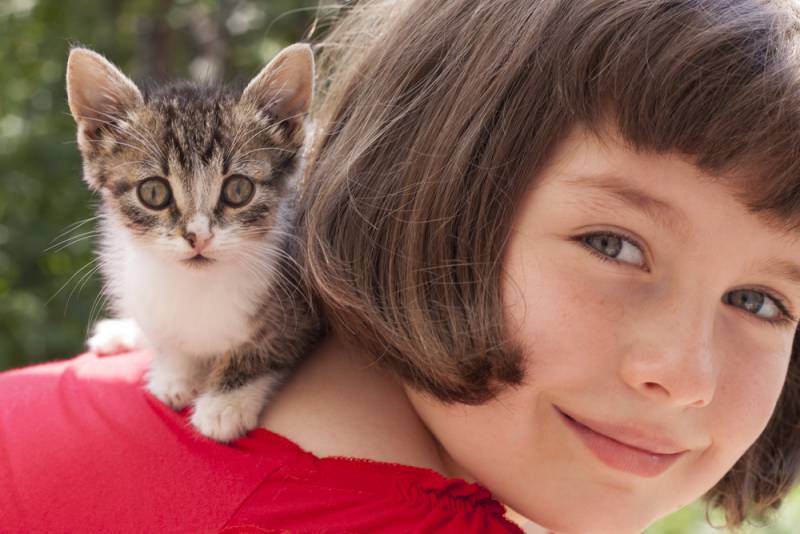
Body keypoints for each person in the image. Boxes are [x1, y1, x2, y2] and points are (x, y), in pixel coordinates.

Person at [3, 0, 800, 532]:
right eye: (613, 244)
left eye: (762, 301)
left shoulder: (42, 409)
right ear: (422, 186)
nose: (684, 373)